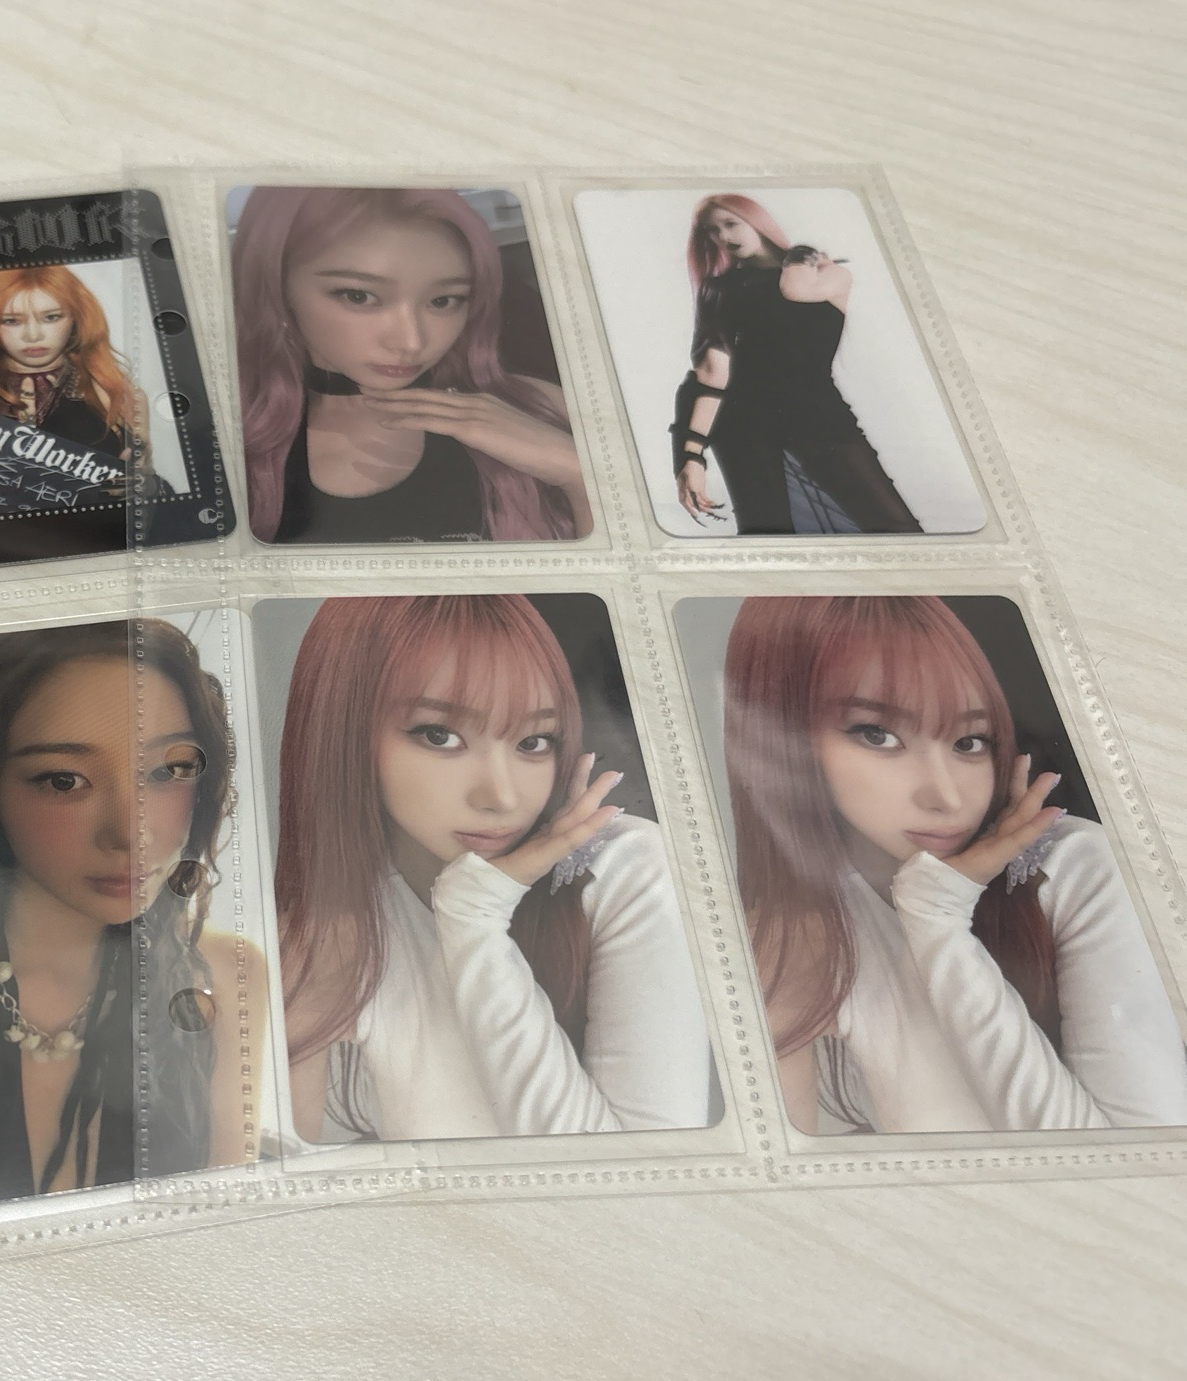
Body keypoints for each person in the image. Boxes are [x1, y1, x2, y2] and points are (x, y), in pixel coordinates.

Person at [722, 595, 1187, 1133]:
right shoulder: (788, 938)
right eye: (877, 734)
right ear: (778, 737)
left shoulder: (1071, 864)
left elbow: (1133, 1160)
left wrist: (937, 913)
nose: (946, 797)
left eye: (969, 741)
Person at [275, 595, 711, 1142]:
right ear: (341, 728)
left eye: (533, 742)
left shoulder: (626, 867)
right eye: (441, 736)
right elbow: (276, 1182)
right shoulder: (329, 931)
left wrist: (476, 913)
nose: (502, 797)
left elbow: (643, 1172)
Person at [0, 619, 266, 1204]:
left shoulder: (226, 975)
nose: (131, 834)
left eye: (168, 771)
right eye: (64, 781)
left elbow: (226, 1218)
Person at [232, 187, 590, 545]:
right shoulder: (227, 447)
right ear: (276, 288)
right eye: (359, 296)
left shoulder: (542, 409)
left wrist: (580, 474)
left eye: (443, 301)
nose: (411, 342)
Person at [670, 194, 923, 536]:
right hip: (743, 426)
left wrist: (799, 257)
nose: (723, 237)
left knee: (895, 529)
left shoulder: (827, 274)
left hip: (819, 418)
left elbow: (794, 290)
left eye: (731, 224)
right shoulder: (718, 290)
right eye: (712, 231)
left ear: (757, 222)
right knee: (768, 537)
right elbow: (713, 374)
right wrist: (691, 456)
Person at [0, 264, 154, 490]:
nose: (33, 335)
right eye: (11, 321)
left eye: (51, 317)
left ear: (77, 319)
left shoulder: (117, 395)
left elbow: (146, 493)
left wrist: (141, 484)